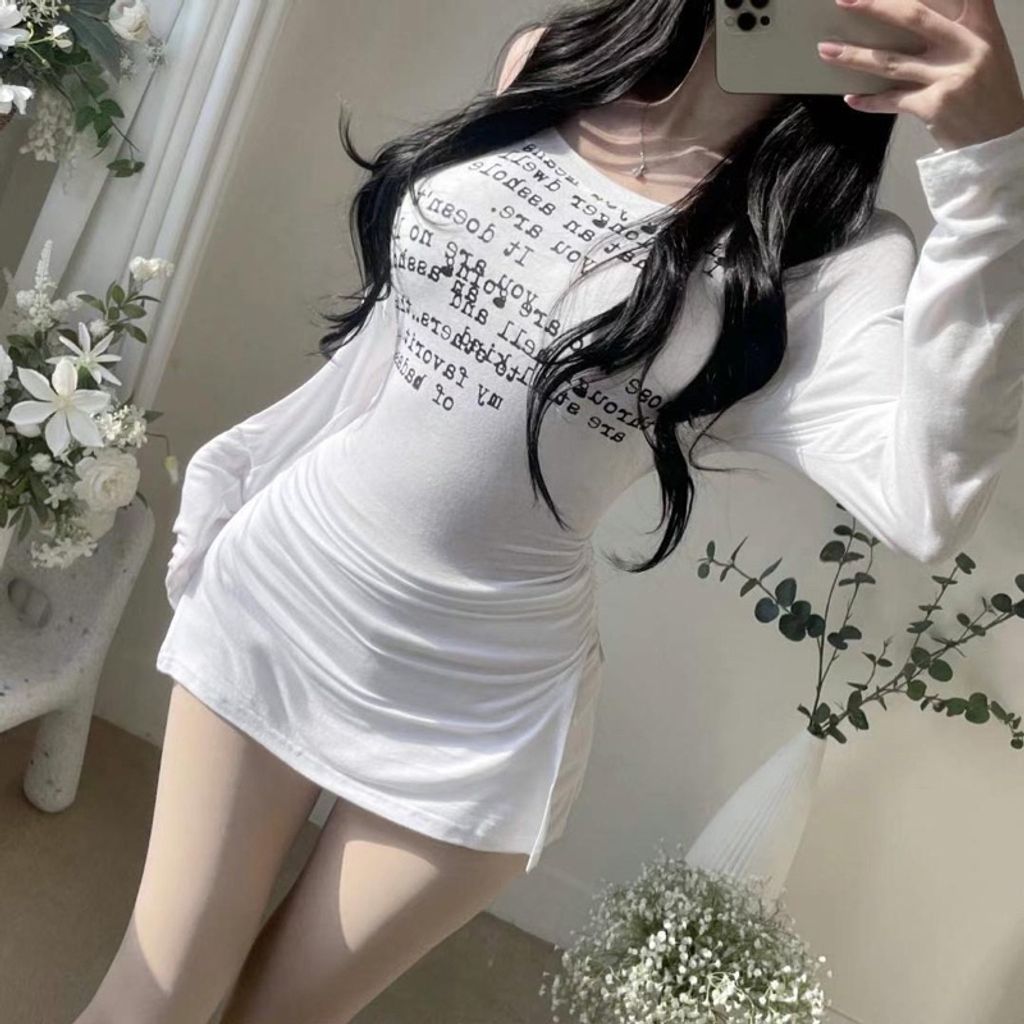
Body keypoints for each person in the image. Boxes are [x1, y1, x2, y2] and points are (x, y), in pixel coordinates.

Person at [74, 1, 1024, 1022]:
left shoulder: (828, 251)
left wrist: (995, 170)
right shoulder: (554, 60)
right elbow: (399, 336)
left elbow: (925, 500)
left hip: (479, 706)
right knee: (152, 1000)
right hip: (291, 584)